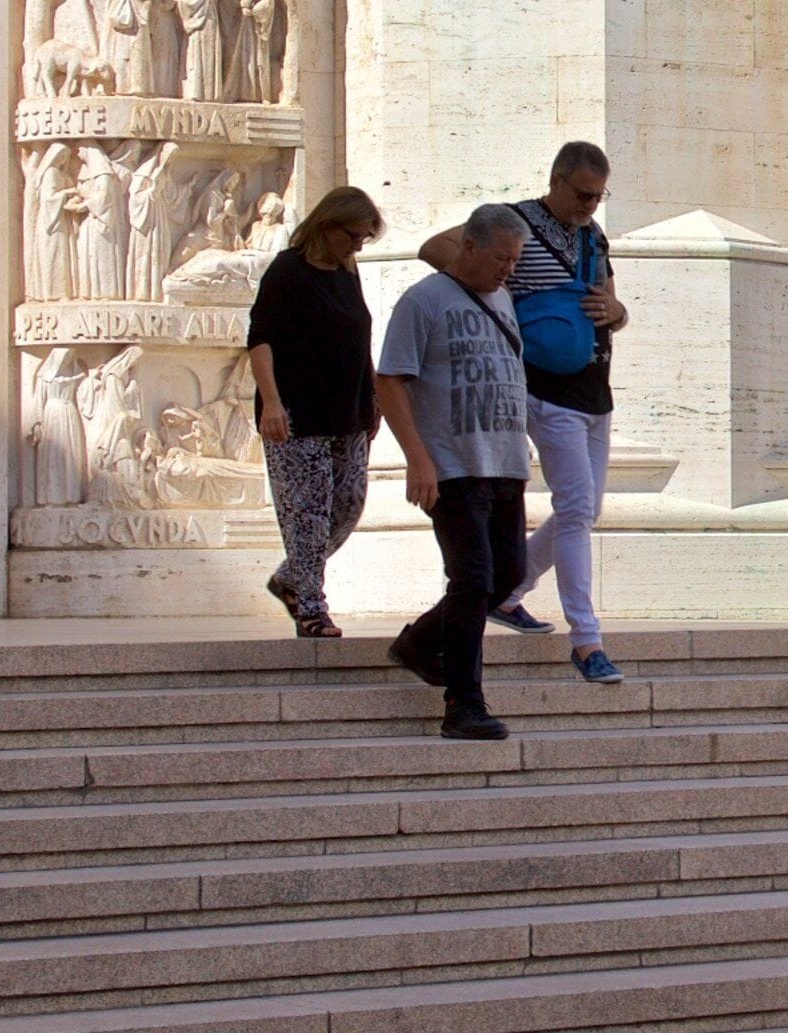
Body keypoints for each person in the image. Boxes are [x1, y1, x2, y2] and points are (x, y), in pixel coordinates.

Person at [421, 141, 630, 686]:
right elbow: (437, 249)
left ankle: (509, 593)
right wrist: (499, 303)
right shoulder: (514, 223)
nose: (590, 204)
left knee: (585, 509)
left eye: (598, 196)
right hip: (544, 388)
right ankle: (586, 639)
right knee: (576, 506)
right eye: (582, 193)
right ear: (556, 180)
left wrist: (618, 311)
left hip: (594, 388)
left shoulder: (593, 235)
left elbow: (609, 301)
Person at [375, 205, 533, 740]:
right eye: (500, 258)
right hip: (453, 466)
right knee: (472, 579)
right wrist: (417, 456)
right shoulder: (423, 301)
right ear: (468, 246)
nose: (508, 269)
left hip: (505, 461)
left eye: (514, 260)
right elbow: (390, 379)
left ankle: (419, 643)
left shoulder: (502, 298)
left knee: (507, 576)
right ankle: (463, 704)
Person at [244, 186, 383, 638]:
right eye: (354, 235)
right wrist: (271, 402)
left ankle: (291, 578)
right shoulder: (289, 270)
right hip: (298, 415)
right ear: (328, 225)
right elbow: (260, 338)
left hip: (348, 411)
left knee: (347, 505)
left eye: (364, 238)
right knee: (307, 512)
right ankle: (311, 606)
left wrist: (373, 395)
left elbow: (358, 336)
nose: (358, 245)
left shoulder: (347, 272)